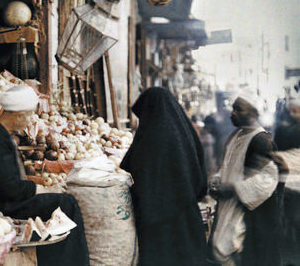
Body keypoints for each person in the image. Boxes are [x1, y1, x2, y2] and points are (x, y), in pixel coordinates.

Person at [0, 85, 90, 266]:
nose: (31, 120)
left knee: (62, 201)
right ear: (19, 115)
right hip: (3, 206)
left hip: (7, 199)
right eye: (30, 115)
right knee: (66, 203)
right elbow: (9, 188)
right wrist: (41, 189)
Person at [120, 87, 208, 266]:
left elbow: (130, 168)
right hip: (185, 218)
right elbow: (199, 171)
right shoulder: (184, 131)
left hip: (158, 225)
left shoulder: (150, 136)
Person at [208, 88, 281, 266]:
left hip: (250, 213)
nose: (232, 113)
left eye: (238, 109)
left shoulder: (262, 140)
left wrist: (233, 188)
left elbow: (268, 179)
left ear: (253, 113)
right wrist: (217, 181)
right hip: (229, 205)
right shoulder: (237, 135)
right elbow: (228, 166)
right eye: (233, 108)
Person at [273, 93, 300, 261]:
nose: (292, 114)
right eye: (291, 111)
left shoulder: (286, 129)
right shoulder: (287, 129)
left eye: (295, 111)